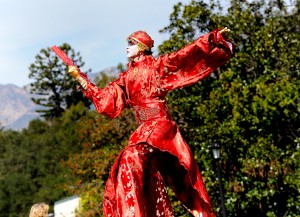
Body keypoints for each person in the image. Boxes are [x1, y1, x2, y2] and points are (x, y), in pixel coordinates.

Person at [67, 27, 233, 217]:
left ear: (141, 46)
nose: (127, 48)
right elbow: (106, 102)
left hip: (161, 126)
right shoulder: (125, 78)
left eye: (131, 44)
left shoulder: (157, 67)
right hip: (144, 129)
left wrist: (213, 39)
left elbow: (185, 55)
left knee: (130, 156)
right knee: (143, 173)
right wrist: (81, 79)